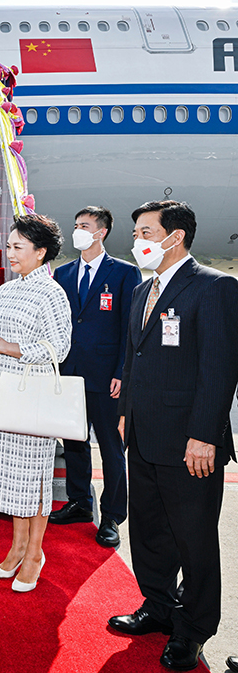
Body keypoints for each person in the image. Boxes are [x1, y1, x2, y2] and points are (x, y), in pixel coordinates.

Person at [108, 200, 238, 672]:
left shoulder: (215, 287)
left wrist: (204, 435)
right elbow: (132, 360)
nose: (136, 240)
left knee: (194, 540)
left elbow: (219, 368)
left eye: (145, 231)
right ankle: (158, 607)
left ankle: (194, 629)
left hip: (190, 444)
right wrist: (125, 414)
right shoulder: (144, 293)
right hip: (143, 436)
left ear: (174, 236)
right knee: (148, 532)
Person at [0, 214, 71, 593]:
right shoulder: (5, 289)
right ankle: (15, 548)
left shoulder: (52, 292)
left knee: (33, 479)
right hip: (0, 392)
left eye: (18, 247)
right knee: (12, 478)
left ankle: (34, 553)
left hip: (32, 396)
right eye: (10, 245)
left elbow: (58, 348)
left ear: (41, 252)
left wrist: (7, 347)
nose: (10, 252)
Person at [50, 206, 141, 548]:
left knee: (111, 448)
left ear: (101, 232)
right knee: (74, 443)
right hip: (70, 373)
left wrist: (122, 372)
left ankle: (113, 516)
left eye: (85, 226)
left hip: (107, 378)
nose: (78, 231)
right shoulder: (63, 273)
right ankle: (79, 503)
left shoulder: (124, 274)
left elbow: (130, 330)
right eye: (76, 225)